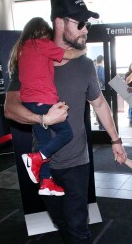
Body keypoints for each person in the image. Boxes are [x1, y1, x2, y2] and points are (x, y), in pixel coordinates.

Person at [4, 0, 126, 244]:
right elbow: (10, 108)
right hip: (44, 165)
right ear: (59, 22)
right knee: (60, 221)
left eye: (88, 25)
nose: (86, 29)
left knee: (78, 225)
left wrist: (116, 140)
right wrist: (43, 119)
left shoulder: (84, 65)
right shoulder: (30, 57)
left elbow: (99, 104)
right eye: (81, 23)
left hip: (77, 162)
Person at [8, 17, 86, 197]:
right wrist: (83, 50)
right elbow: (70, 55)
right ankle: (35, 158)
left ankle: (46, 182)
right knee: (66, 133)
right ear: (42, 31)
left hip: (29, 104)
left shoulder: (22, 49)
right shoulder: (41, 44)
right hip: (44, 101)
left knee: (43, 142)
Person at [94, 55, 105, 130]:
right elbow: (104, 80)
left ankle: (100, 126)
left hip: (95, 92)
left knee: (98, 109)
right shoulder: (102, 69)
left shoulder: (93, 68)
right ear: (102, 61)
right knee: (103, 110)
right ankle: (103, 127)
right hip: (103, 90)